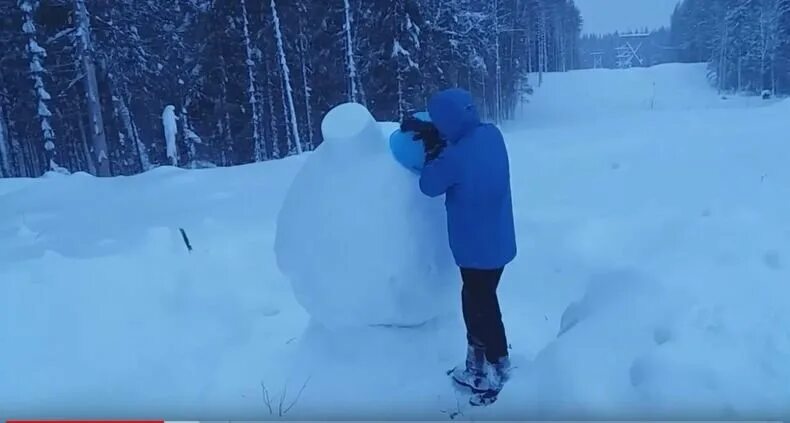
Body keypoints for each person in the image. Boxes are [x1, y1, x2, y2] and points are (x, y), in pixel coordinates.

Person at [400, 88, 517, 392]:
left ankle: (491, 372)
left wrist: (432, 152)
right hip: (500, 242)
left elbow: (429, 185)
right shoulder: (492, 135)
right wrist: (445, 141)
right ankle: (483, 364)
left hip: (475, 251)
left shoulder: (455, 157)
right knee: (481, 302)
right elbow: (470, 158)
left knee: (480, 308)